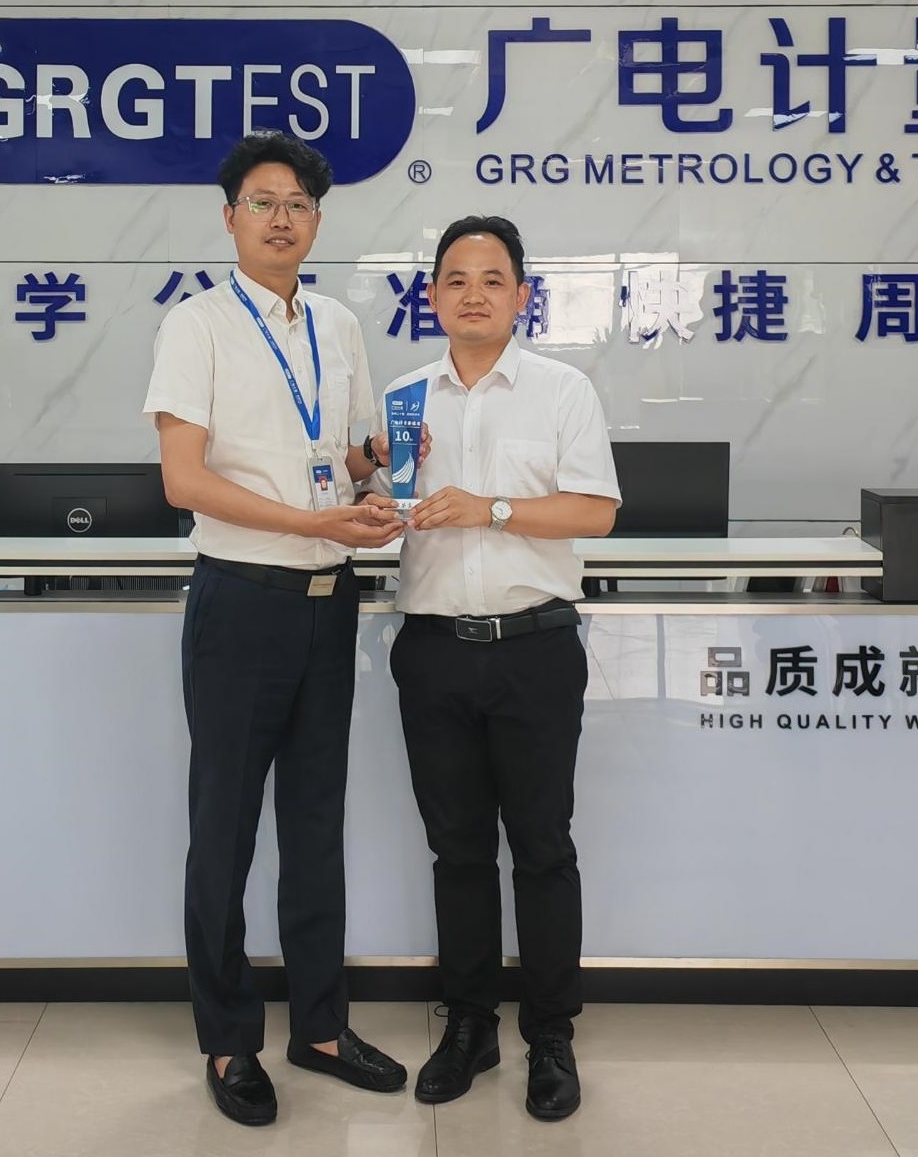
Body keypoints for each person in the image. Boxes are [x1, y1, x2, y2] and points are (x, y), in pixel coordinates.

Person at [142, 132, 408, 1127]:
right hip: (241, 601)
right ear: (230, 218)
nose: (282, 218)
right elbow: (184, 479)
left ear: (318, 221)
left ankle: (322, 1026)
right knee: (224, 827)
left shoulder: (339, 324)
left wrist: (380, 473)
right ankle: (227, 1038)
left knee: (315, 819)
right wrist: (311, 520)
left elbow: (349, 456)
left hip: (328, 603)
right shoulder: (197, 325)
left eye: (298, 203)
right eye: (263, 201)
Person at [376, 215, 620, 1121]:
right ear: (431, 296)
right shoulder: (405, 397)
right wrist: (371, 499)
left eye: (491, 279)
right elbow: (390, 508)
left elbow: (595, 512)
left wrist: (494, 507)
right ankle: (470, 1024)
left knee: (544, 847)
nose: (472, 294)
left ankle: (550, 1034)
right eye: (455, 278)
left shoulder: (562, 390)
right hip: (433, 649)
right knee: (458, 849)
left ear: (522, 295)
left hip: (535, 649)